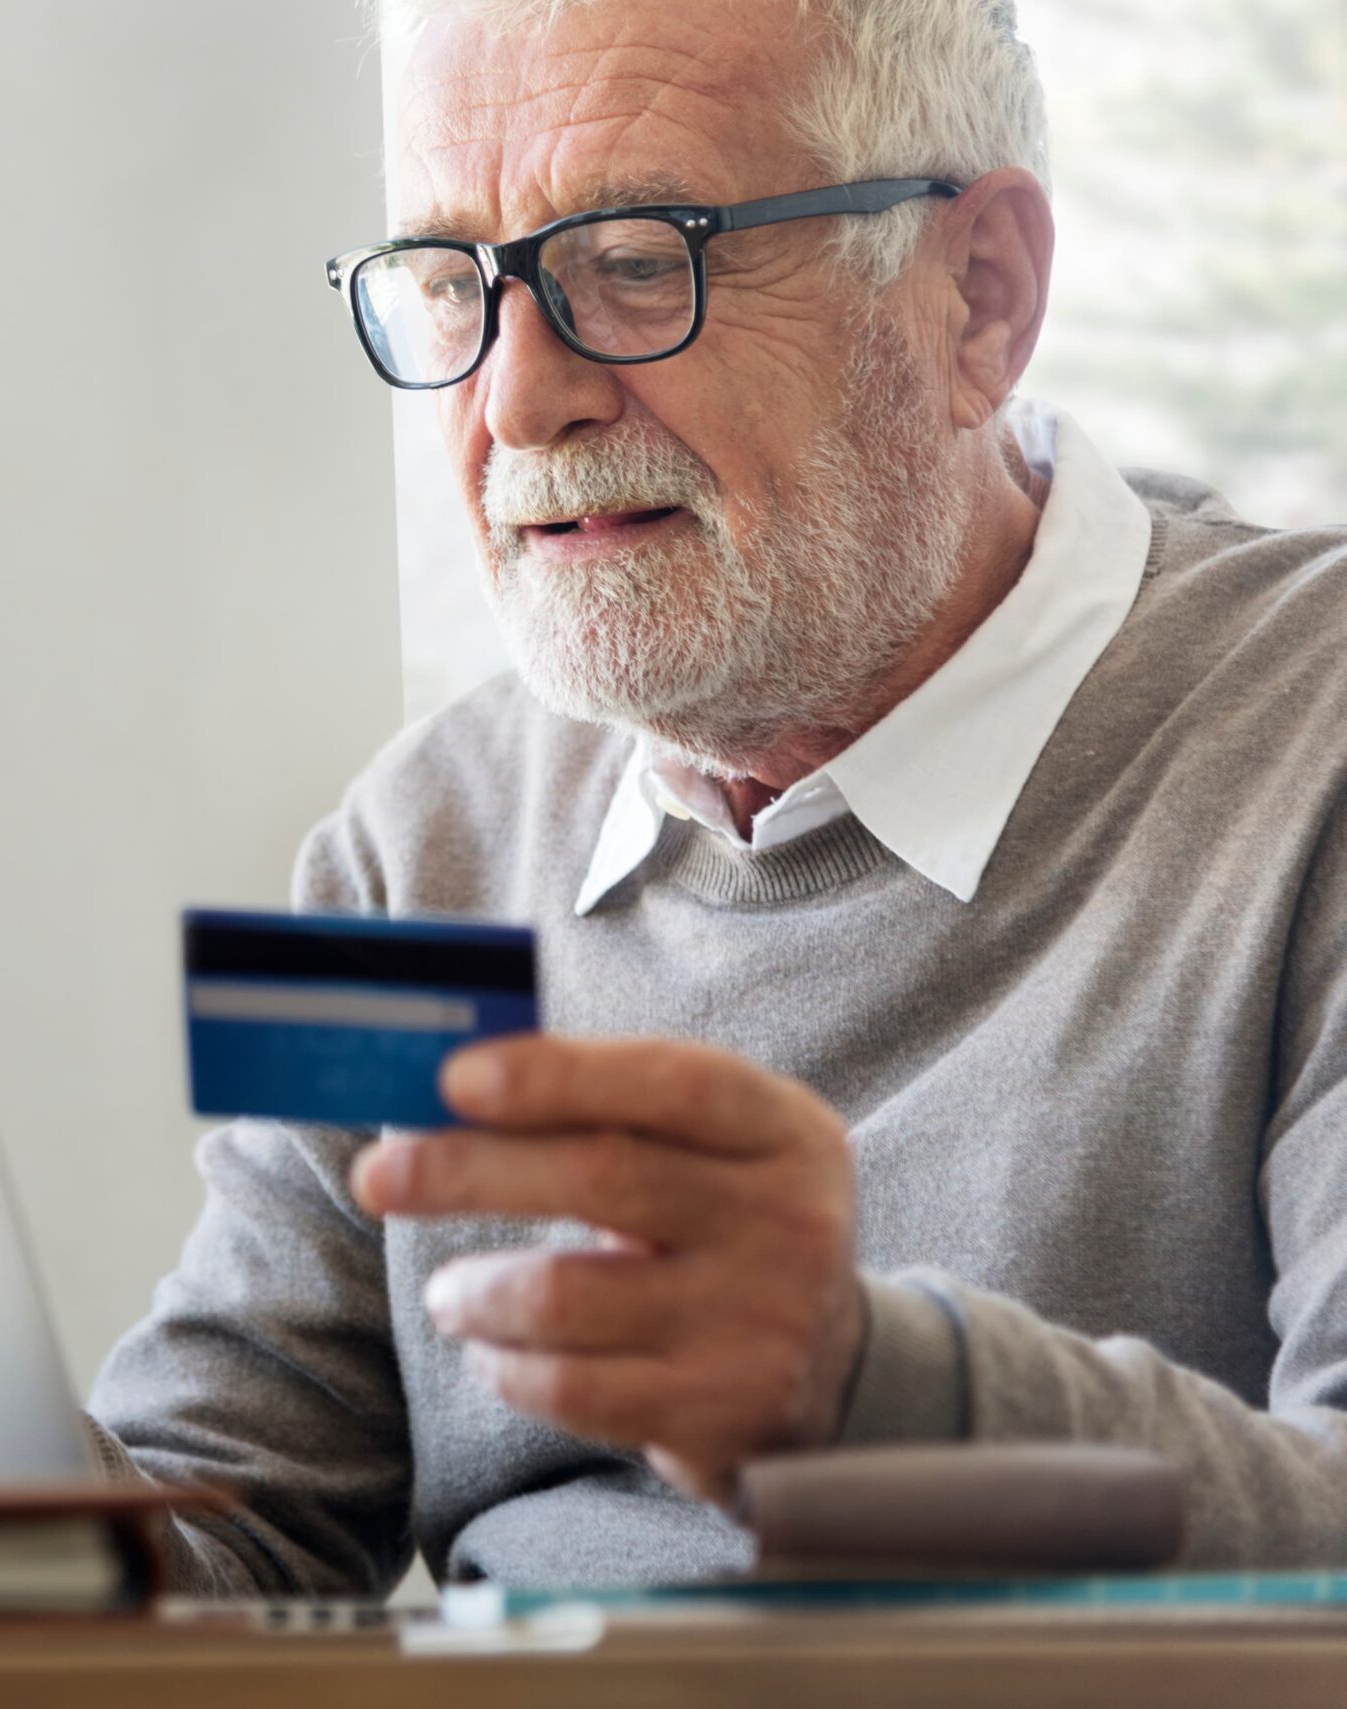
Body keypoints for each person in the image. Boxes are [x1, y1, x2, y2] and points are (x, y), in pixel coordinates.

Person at [84, 0, 1347, 1593]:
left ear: (981, 297)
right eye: (450, 284)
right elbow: (216, 1533)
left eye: (631, 262)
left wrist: (861, 1389)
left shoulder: (1317, 746)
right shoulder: (415, 852)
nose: (521, 401)